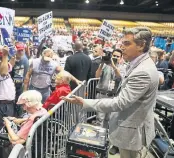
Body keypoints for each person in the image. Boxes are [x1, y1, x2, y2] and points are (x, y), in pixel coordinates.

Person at [62, 27, 159, 158]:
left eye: (127, 43)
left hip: (133, 134)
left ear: (141, 45)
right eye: (122, 43)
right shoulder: (140, 64)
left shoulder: (143, 71)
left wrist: (85, 102)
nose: (122, 47)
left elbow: (120, 103)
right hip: (131, 129)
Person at [11, 42, 29, 117]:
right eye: (19, 50)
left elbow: (26, 75)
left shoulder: (25, 60)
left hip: (19, 86)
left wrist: (25, 90)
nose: (21, 52)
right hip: (10, 86)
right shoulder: (10, 58)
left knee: (19, 106)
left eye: (22, 50)